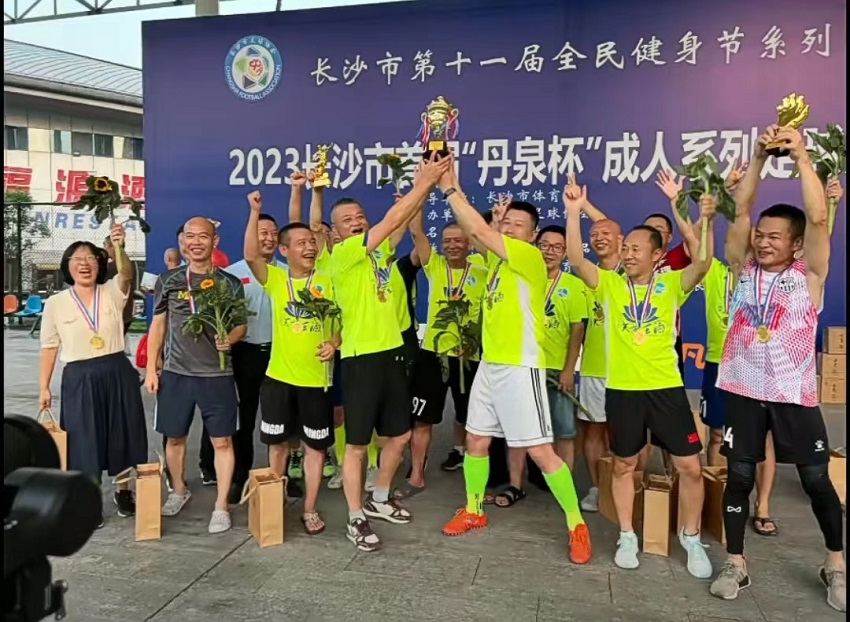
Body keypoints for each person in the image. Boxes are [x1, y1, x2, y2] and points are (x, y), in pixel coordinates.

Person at [709, 126, 845, 612]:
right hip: (743, 390)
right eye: (761, 236)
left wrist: (802, 156)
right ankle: (736, 563)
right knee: (739, 477)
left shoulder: (810, 275)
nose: (763, 242)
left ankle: (835, 564)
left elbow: (819, 216)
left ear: (796, 245)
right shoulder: (741, 268)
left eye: (775, 237)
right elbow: (741, 209)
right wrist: (759, 156)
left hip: (792, 394)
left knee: (816, 481)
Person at [436, 158, 591, 565]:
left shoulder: (528, 257)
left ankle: (576, 524)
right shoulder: (496, 264)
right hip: (491, 365)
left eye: (517, 225)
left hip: (521, 368)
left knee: (540, 450)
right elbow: (477, 230)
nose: (508, 228)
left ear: (532, 235)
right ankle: (474, 509)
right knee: (476, 441)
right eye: (505, 223)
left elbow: (477, 230)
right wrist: (470, 199)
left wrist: (449, 187)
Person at [565, 179, 715, 577]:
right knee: (623, 465)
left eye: (635, 249)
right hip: (623, 391)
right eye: (625, 248)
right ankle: (627, 535)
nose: (628, 254)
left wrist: (700, 217)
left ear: (656, 255)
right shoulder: (611, 285)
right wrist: (574, 211)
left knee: (690, 467)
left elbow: (702, 262)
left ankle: (691, 537)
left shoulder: (670, 284)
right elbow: (577, 260)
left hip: (666, 390)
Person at [330, 154, 450, 551]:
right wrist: (423, 183)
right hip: (360, 359)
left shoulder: (380, 254)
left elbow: (400, 222)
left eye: (359, 216)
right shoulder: (344, 255)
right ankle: (354, 517)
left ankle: (379, 497)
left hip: (393, 356)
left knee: (399, 435)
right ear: (336, 232)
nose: (356, 221)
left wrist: (423, 189)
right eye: (347, 219)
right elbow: (390, 221)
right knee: (357, 445)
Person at [39, 224, 147, 526]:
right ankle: (90, 500)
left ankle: (123, 490)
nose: (84, 263)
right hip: (79, 376)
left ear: (101, 264)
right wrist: (44, 387)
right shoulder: (55, 304)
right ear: (67, 266)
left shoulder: (112, 291)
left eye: (90, 258)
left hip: (116, 370)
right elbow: (49, 347)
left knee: (121, 432)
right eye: (77, 259)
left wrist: (120, 246)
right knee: (84, 438)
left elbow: (127, 274)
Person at [245, 191, 339, 535]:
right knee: (278, 447)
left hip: (317, 382)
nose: (310, 247)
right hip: (279, 379)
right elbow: (251, 254)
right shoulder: (275, 279)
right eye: (301, 243)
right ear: (284, 250)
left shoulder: (329, 281)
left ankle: (310, 509)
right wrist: (254, 211)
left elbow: (343, 325)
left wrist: (334, 343)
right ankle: (275, 500)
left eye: (312, 242)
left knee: (316, 449)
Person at [145, 216, 247, 534]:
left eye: (203, 236)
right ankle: (178, 490)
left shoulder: (229, 283)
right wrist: (151, 368)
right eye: (190, 236)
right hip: (176, 373)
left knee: (222, 441)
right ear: (183, 242)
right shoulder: (169, 280)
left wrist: (230, 339)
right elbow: (158, 324)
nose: (196, 242)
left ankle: (221, 506)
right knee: (175, 437)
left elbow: (241, 325)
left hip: (217, 375)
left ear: (215, 241)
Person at [401, 213, 487, 497]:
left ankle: (466, 463)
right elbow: (417, 232)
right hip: (433, 354)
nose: (452, 245)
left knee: (470, 418)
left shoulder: (483, 269)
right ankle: (417, 474)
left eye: (458, 241)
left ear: (469, 244)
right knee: (422, 419)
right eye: (447, 241)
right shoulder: (434, 265)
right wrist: (418, 199)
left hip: (468, 356)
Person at [518, 225, 587, 500]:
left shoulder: (573, 285)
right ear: (535, 247)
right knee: (527, 429)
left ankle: (565, 489)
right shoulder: (524, 279)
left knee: (565, 431)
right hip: (526, 367)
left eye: (557, 247)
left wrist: (569, 370)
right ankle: (520, 483)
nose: (550, 252)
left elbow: (577, 330)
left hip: (558, 369)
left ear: (565, 253)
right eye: (544, 245)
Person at [223, 211, 288, 504]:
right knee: (244, 418)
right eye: (263, 232)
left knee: (282, 419)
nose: (269, 238)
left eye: (274, 233)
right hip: (246, 353)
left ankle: (283, 477)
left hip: (280, 353)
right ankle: (240, 477)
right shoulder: (233, 274)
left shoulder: (288, 273)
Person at [576, 217, 622, 512]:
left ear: (621, 239)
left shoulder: (634, 273)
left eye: (606, 233)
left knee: (625, 434)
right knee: (593, 430)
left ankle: (624, 486)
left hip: (627, 370)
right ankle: (597, 488)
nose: (599, 238)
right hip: (593, 367)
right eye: (594, 234)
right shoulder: (586, 274)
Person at [103, 232, 137, 334]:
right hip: (126, 313)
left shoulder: (112, 268)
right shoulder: (129, 265)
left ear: (113, 246)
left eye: (105, 245)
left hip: (116, 313)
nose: (104, 249)